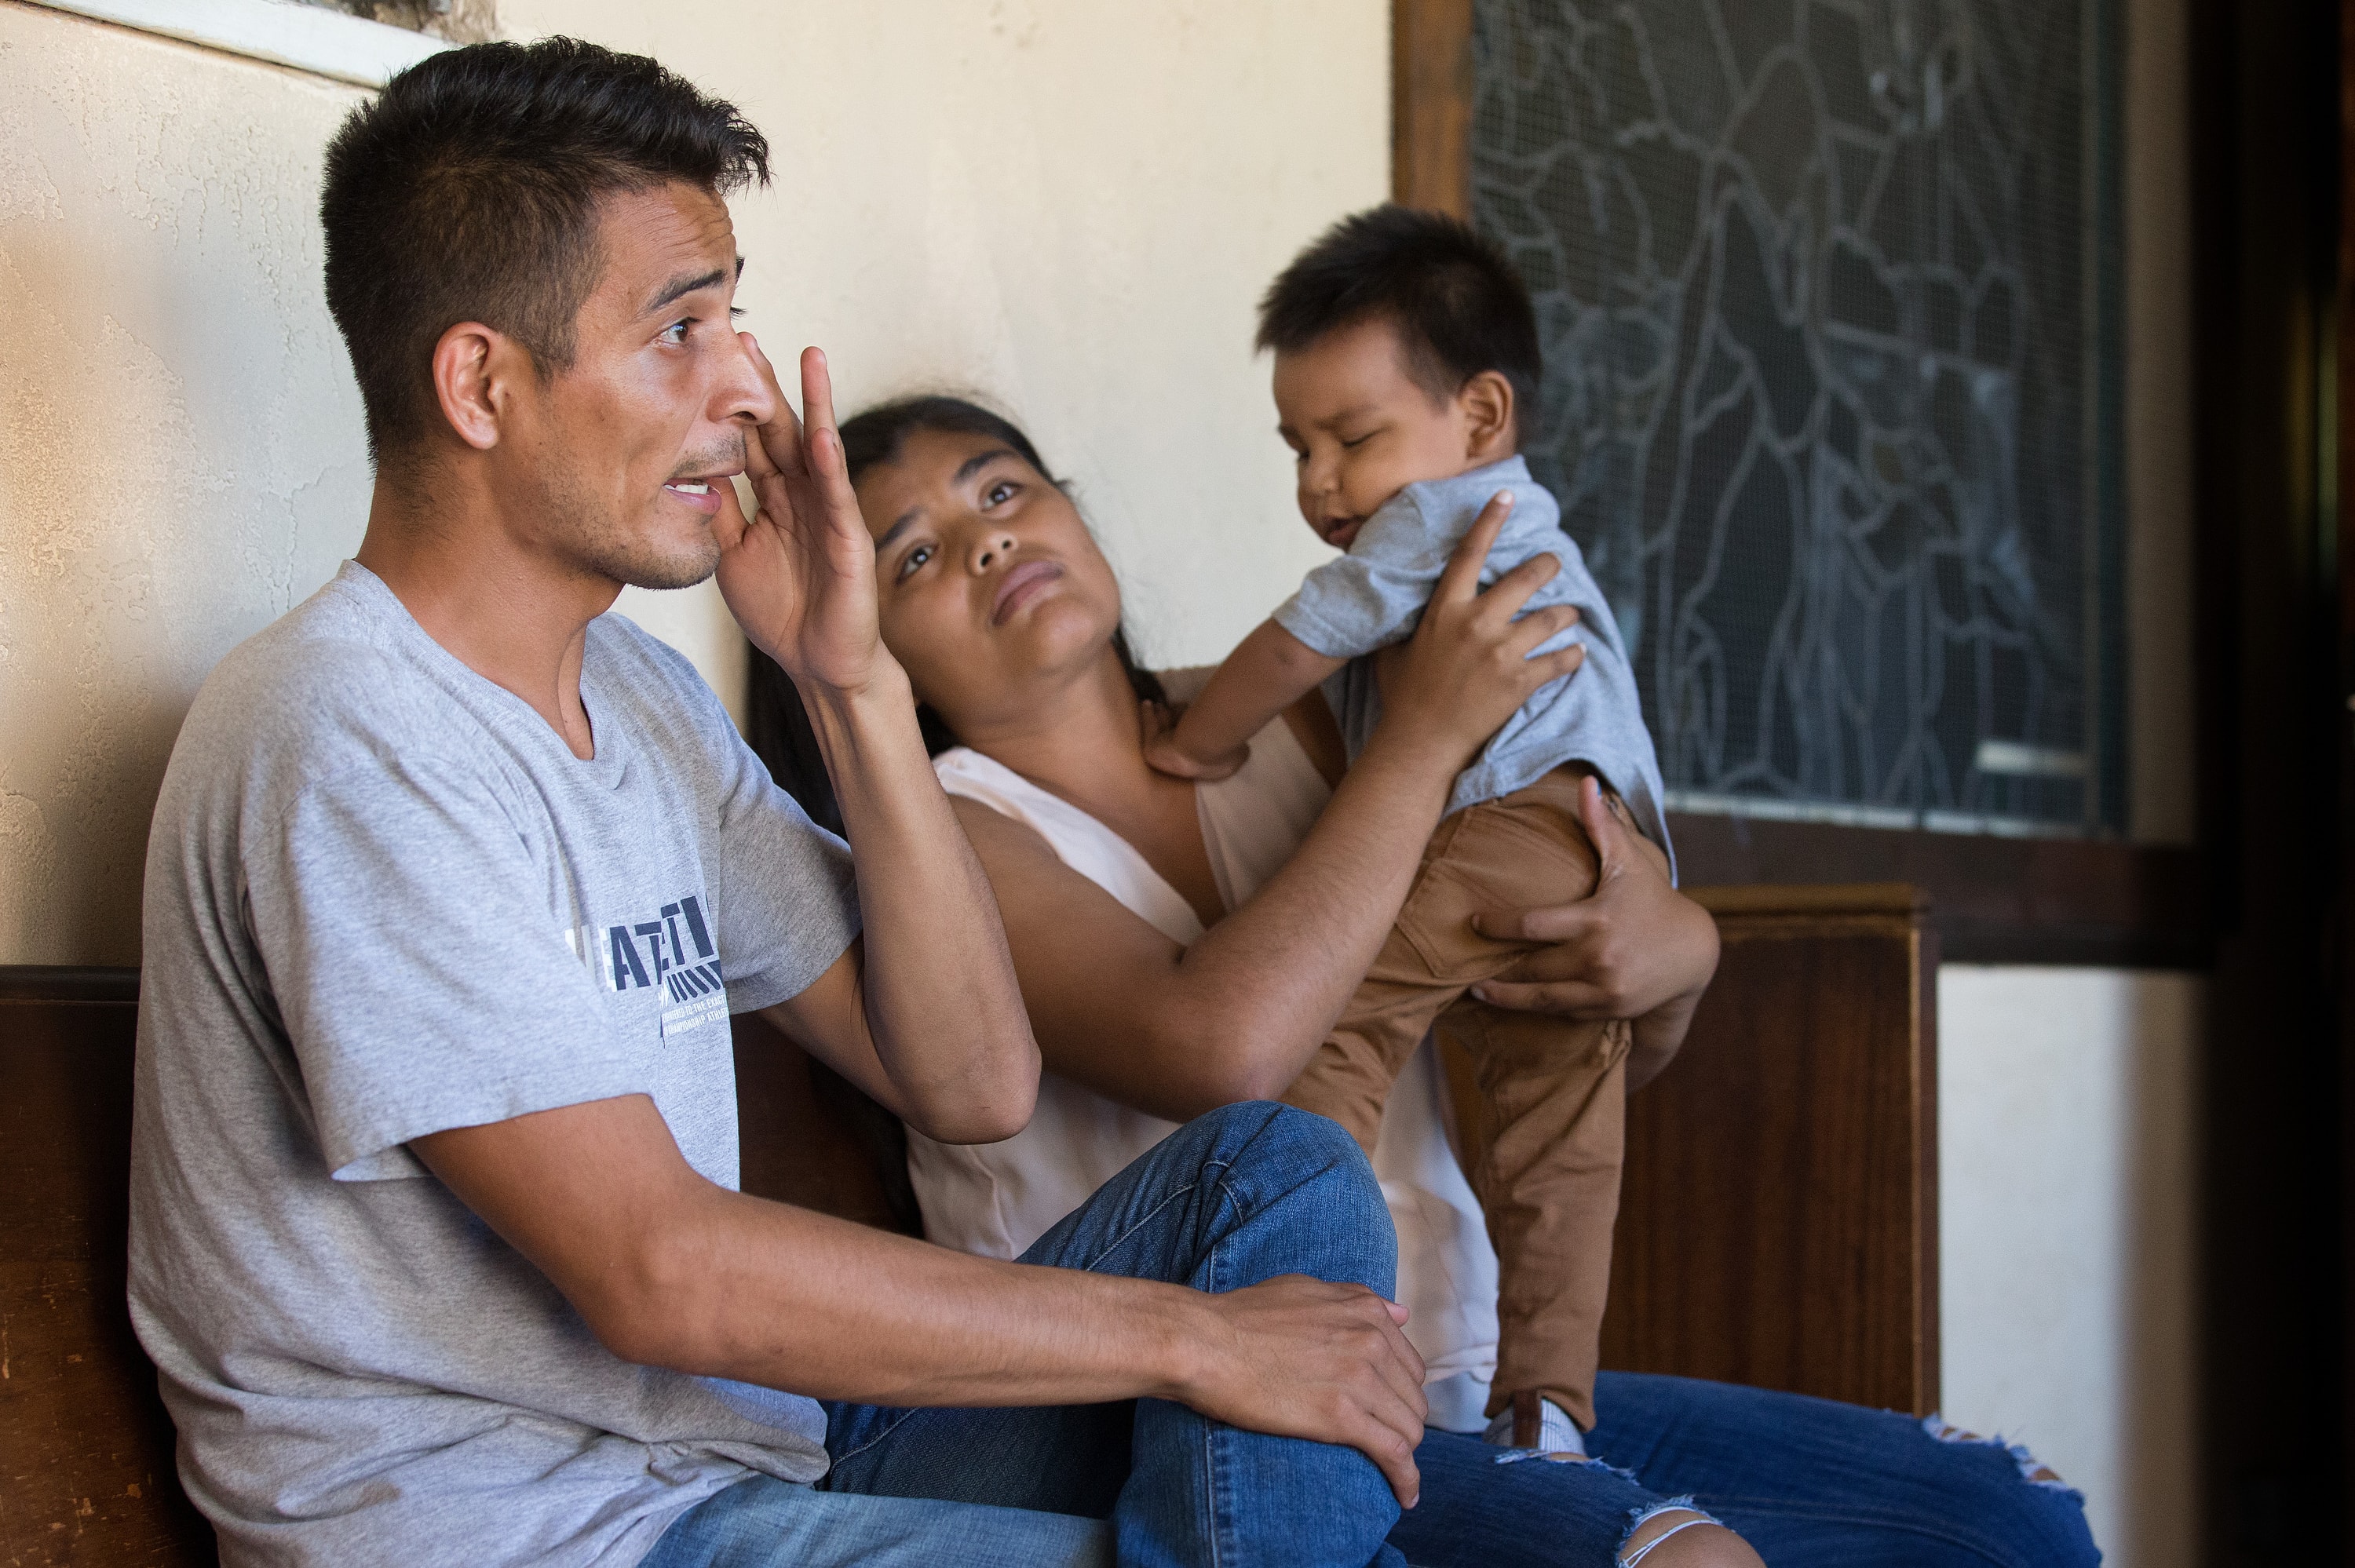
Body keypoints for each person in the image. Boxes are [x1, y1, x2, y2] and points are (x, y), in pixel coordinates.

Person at [128, 38, 1564, 1568]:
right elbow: (657, 1273)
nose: (749, 386)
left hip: (751, 1462)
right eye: (681, 328)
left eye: (734, 315)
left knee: (1275, 1171)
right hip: (532, 1537)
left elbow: (970, 1081)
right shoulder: (347, 733)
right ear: (482, 384)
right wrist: (1194, 1344)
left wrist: (851, 683)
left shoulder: (645, 703)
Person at [792, 391, 2104, 1566]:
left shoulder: (1299, 717)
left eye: (1003, 488)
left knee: (2005, 1518)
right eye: (913, 553)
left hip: (1456, 1371)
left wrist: (1676, 948)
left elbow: (1571, 1033)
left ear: (1075, 506)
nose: (983, 542)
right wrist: (1422, 742)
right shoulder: (947, 831)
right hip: (1186, 1423)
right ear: (873, 647)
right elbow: (1221, 1053)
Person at [1145, 205, 1670, 1455]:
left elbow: (1293, 645)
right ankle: (1548, 1409)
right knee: (1561, 1152)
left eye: (1352, 437)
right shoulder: (1509, 533)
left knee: (1339, 1023)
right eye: (1296, 447)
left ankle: (1307, 1307)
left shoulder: (1445, 518)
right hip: (1611, 840)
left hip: (1522, 820)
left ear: (1478, 419)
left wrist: (1193, 738)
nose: (1320, 482)